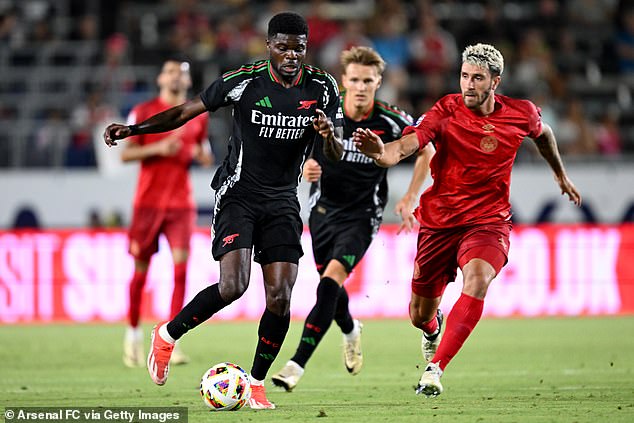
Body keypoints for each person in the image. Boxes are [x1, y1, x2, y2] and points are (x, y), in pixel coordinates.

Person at [104, 12, 343, 410]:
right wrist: (134, 130)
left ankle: (257, 383)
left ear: (306, 47)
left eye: (297, 48)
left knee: (281, 295)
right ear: (269, 45)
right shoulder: (243, 80)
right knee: (234, 285)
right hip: (238, 195)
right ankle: (166, 334)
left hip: (283, 199)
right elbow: (184, 112)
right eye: (282, 46)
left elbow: (333, 153)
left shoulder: (323, 88)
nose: (290, 55)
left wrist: (328, 135)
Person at [353, 43, 582, 397]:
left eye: (477, 78)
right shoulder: (445, 110)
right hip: (439, 223)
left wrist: (559, 175)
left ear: (495, 82)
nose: (469, 84)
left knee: (478, 279)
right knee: (418, 314)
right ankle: (432, 330)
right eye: (464, 76)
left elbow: (545, 135)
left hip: (488, 221)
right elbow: (407, 146)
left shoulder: (521, 113)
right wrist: (381, 153)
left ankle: (435, 369)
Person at [271, 46, 434, 391]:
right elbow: (291, 145)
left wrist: (410, 196)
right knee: (331, 287)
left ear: (378, 83)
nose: (361, 87)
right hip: (322, 211)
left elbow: (427, 150)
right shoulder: (323, 113)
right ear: (344, 81)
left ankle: (295, 365)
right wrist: (306, 166)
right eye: (355, 80)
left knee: (329, 283)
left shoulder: (391, 119)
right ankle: (350, 329)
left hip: (362, 215)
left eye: (368, 81)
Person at [119, 59, 213, 368]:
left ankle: (171, 340)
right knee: (140, 273)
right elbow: (126, 154)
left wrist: (202, 156)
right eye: (170, 71)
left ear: (187, 81)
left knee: (181, 272)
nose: (175, 77)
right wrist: (157, 150)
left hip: (180, 205)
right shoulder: (144, 111)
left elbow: (204, 150)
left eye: (181, 73)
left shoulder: (196, 115)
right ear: (161, 78)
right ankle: (132, 335)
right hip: (147, 203)